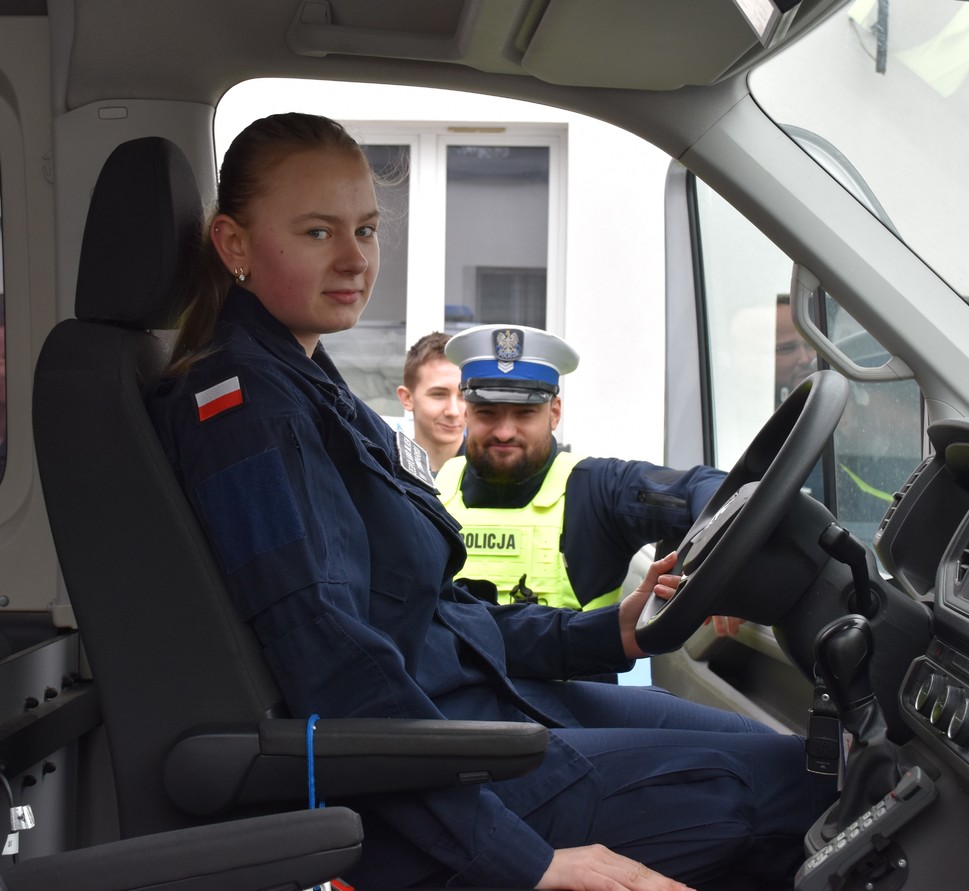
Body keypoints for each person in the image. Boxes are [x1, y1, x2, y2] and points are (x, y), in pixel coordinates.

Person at [147, 112, 835, 891]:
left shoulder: (303, 381)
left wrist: (608, 631)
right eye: (317, 232)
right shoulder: (246, 411)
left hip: (475, 710)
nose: (355, 259)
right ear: (234, 244)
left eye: (365, 230)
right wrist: (525, 863)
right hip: (437, 773)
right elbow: (330, 660)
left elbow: (435, 616)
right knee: (806, 784)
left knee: (796, 756)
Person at [437, 324, 726, 612]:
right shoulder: (431, 492)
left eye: (524, 413)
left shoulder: (600, 490)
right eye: (487, 413)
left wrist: (719, 574)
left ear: (554, 413)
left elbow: (708, 487)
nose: (504, 432)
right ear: (467, 413)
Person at [396, 331, 465, 472]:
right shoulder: (385, 471)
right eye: (439, 395)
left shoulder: (492, 472)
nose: (453, 411)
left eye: (464, 396)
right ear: (407, 398)